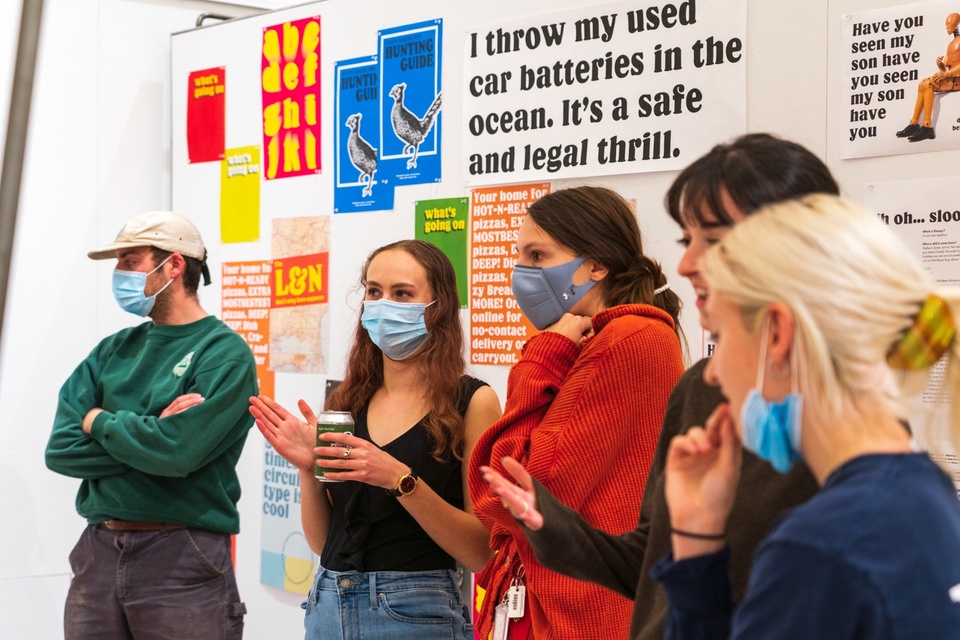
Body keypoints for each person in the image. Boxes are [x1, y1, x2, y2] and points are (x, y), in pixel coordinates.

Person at [478, 134, 836, 640]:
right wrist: (549, 524)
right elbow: (652, 555)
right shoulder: (701, 385)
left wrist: (541, 356)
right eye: (686, 241)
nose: (686, 265)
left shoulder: (636, 338)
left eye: (708, 240)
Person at [652, 193, 960, 637]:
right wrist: (698, 538)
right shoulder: (927, 488)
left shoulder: (819, 549)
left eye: (718, 335)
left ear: (777, 333)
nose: (714, 374)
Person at [250, 239, 502, 640]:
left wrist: (400, 480)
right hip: (328, 603)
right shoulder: (347, 401)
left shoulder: (473, 401)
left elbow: (480, 552)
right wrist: (307, 471)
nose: (383, 305)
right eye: (373, 291)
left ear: (438, 307)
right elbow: (322, 542)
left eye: (402, 293)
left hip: (417, 611)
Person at [468, 186, 686, 640]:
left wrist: (541, 357)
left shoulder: (625, 341)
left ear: (596, 265)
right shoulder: (603, 340)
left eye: (537, 255)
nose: (520, 272)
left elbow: (504, 496)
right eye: (519, 255)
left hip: (581, 618)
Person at [45, 211, 258, 639]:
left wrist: (98, 419)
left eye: (129, 261)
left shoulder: (224, 353)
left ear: (174, 265)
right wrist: (149, 432)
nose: (118, 274)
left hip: (182, 552)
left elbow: (179, 452)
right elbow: (60, 449)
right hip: (98, 550)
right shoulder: (112, 350)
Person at [895, 12, 960, 142]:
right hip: (951, 78)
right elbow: (946, 66)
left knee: (928, 84)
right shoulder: (952, 44)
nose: (947, 26)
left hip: (957, 81)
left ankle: (927, 127)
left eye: (949, 23)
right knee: (922, 83)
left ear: (956, 24)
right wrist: (941, 65)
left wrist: (946, 74)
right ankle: (914, 124)